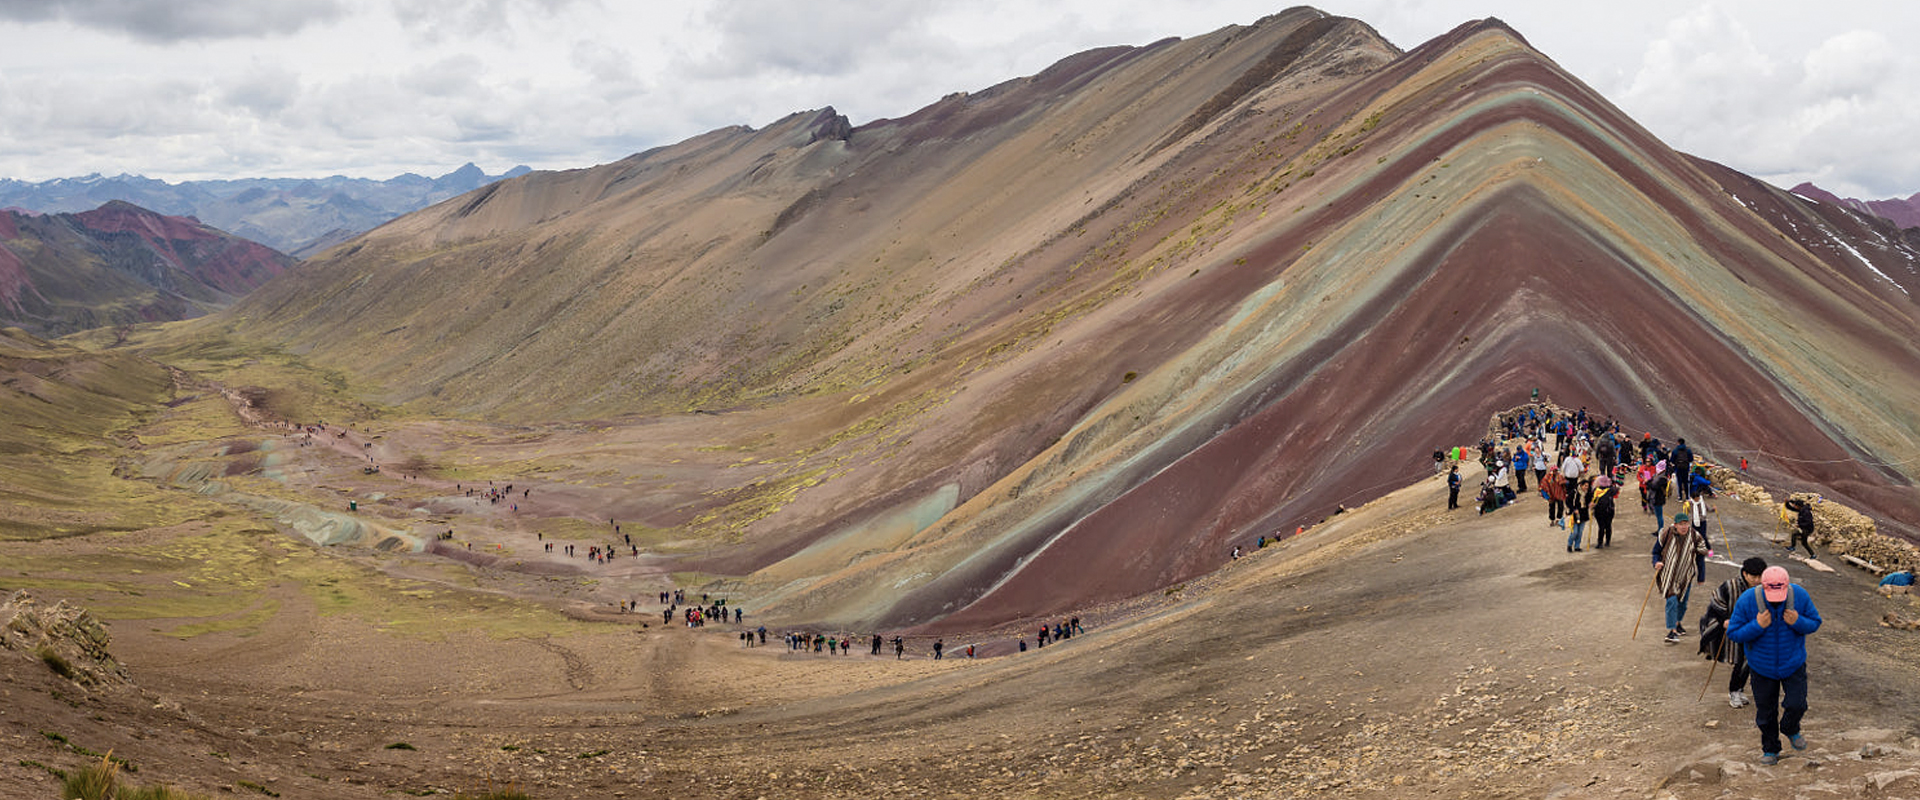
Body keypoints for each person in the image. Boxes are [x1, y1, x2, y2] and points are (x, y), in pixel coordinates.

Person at [1727, 566, 1821, 765]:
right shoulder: (1747, 600)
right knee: (1766, 712)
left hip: (1793, 662)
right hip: (1761, 666)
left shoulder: (1800, 596)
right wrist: (1757, 626)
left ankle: (1790, 727)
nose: (1776, 599)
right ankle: (1770, 749)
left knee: (1797, 703)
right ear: (1762, 586)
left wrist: (1797, 621)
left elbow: (1814, 622)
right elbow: (1733, 633)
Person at [1701, 557, 1767, 708]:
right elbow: (1716, 602)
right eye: (1753, 576)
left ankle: (1739, 689)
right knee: (1741, 658)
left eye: (1760, 576)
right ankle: (1734, 691)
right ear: (1744, 574)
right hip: (1735, 628)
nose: (1757, 580)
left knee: (1749, 660)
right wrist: (1724, 619)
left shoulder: (1765, 588)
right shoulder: (1730, 586)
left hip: (1755, 628)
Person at [1653, 511, 1708, 644]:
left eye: (1686, 524)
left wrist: (1701, 576)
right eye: (1681, 524)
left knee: (1682, 603)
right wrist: (1656, 562)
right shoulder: (1666, 534)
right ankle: (1672, 631)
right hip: (1668, 575)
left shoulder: (1696, 537)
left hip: (1686, 575)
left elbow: (1701, 557)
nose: (1684, 527)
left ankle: (1677, 623)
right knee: (1671, 601)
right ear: (1675, 525)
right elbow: (1656, 552)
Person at [1591, 475, 1618, 548]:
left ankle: (1600, 543)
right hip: (1609, 511)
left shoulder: (1595, 490)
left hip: (1599, 511)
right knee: (1608, 526)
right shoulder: (1611, 490)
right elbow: (1616, 490)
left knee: (1601, 527)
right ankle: (1607, 541)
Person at [1566, 477, 1590, 552]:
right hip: (1574, 514)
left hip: (1583, 514)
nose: (1586, 488)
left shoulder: (1588, 493)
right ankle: (1569, 545)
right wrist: (1573, 509)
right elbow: (1568, 501)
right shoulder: (1574, 492)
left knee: (1580, 532)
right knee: (1574, 532)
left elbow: (1589, 501)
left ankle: (1577, 546)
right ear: (1581, 485)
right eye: (1585, 486)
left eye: (1587, 486)